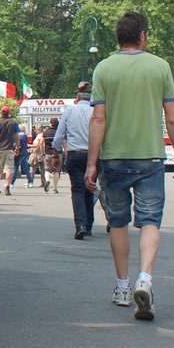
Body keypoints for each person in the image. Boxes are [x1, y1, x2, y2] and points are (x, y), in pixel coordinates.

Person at [85, 11, 174, 320]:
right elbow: (171, 117)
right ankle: (146, 278)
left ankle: (122, 287)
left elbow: (98, 119)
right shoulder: (159, 67)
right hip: (150, 159)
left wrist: (91, 164)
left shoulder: (103, 68)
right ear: (143, 35)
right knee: (150, 221)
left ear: (119, 37)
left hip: (114, 159)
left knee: (117, 223)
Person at [54, 81, 96, 238]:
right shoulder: (95, 111)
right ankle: (89, 225)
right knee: (89, 189)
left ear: (77, 97)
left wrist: (56, 154)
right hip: (92, 155)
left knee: (77, 190)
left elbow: (59, 135)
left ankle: (80, 225)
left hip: (74, 154)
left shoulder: (70, 111)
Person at [0, 105, 20, 196]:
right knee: (9, 169)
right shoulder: (13, 123)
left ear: (1, 113)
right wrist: (17, 147)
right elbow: (17, 136)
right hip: (9, 149)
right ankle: (7, 187)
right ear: (9, 113)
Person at [43, 116, 62, 192]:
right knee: (56, 171)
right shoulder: (59, 132)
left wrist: (42, 152)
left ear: (50, 124)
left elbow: (41, 143)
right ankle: (55, 188)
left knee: (47, 170)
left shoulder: (45, 132)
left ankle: (47, 180)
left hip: (48, 153)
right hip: (58, 153)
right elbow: (63, 142)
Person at [11, 123, 33, 188]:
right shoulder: (25, 136)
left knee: (16, 168)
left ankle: (12, 182)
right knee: (26, 168)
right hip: (24, 153)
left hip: (19, 153)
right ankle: (30, 181)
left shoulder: (19, 137)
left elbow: (16, 145)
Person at [30, 125, 48, 189]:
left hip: (36, 153)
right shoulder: (42, 135)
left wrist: (28, 145)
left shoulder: (39, 136)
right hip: (41, 153)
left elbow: (37, 145)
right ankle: (43, 182)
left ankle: (30, 181)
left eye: (36, 129)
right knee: (42, 169)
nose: (35, 131)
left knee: (33, 168)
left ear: (39, 129)